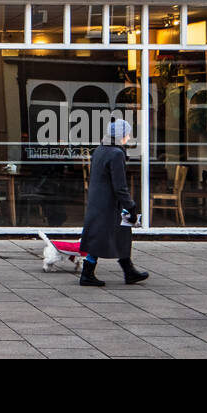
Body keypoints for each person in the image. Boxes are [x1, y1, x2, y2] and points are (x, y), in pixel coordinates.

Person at [78, 118, 148, 287]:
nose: (129, 137)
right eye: (127, 133)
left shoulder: (100, 149)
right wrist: (130, 205)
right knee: (105, 236)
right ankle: (88, 273)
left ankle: (127, 270)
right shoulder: (116, 153)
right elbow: (120, 185)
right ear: (121, 135)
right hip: (109, 204)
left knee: (114, 234)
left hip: (98, 201)